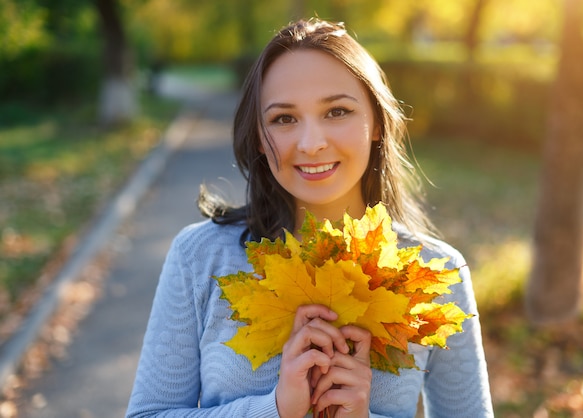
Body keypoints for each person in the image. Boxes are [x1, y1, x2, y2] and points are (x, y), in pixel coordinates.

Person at [126, 18, 494, 418]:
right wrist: (276, 409)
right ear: (260, 140)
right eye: (284, 118)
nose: (312, 143)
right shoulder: (200, 257)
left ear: (376, 123)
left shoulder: (434, 274)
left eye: (337, 111)